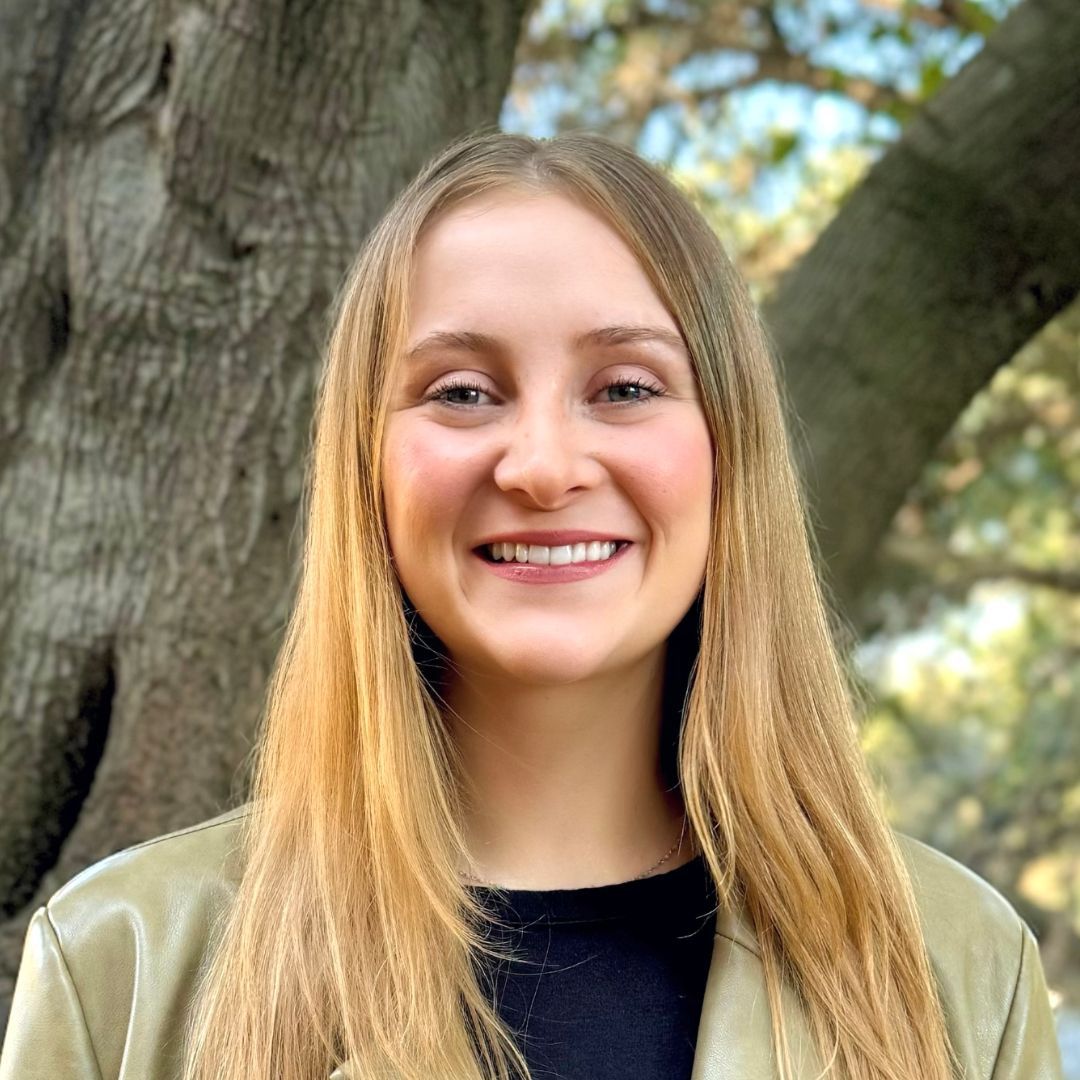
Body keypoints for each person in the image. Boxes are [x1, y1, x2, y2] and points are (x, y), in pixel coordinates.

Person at [0, 128, 1064, 1080]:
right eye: (462, 391)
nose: (544, 466)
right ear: (364, 462)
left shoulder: (958, 969)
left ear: (728, 449)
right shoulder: (122, 967)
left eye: (625, 389)